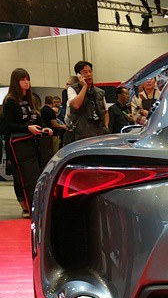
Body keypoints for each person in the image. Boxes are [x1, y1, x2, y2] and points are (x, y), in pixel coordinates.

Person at [2, 68, 53, 217]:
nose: (26, 82)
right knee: (21, 175)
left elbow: (37, 119)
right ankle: (25, 206)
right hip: (17, 143)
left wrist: (45, 128)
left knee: (35, 173)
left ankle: (36, 204)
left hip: (32, 142)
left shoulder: (31, 100)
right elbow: (8, 125)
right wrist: (27, 128)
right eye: (23, 79)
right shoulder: (10, 101)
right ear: (16, 82)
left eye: (28, 79)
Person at [65, 61, 108, 142]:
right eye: (85, 72)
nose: (89, 74)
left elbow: (105, 111)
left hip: (99, 133)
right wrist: (84, 86)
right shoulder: (72, 89)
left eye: (90, 71)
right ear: (79, 75)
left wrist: (105, 127)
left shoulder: (100, 92)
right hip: (81, 134)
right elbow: (76, 105)